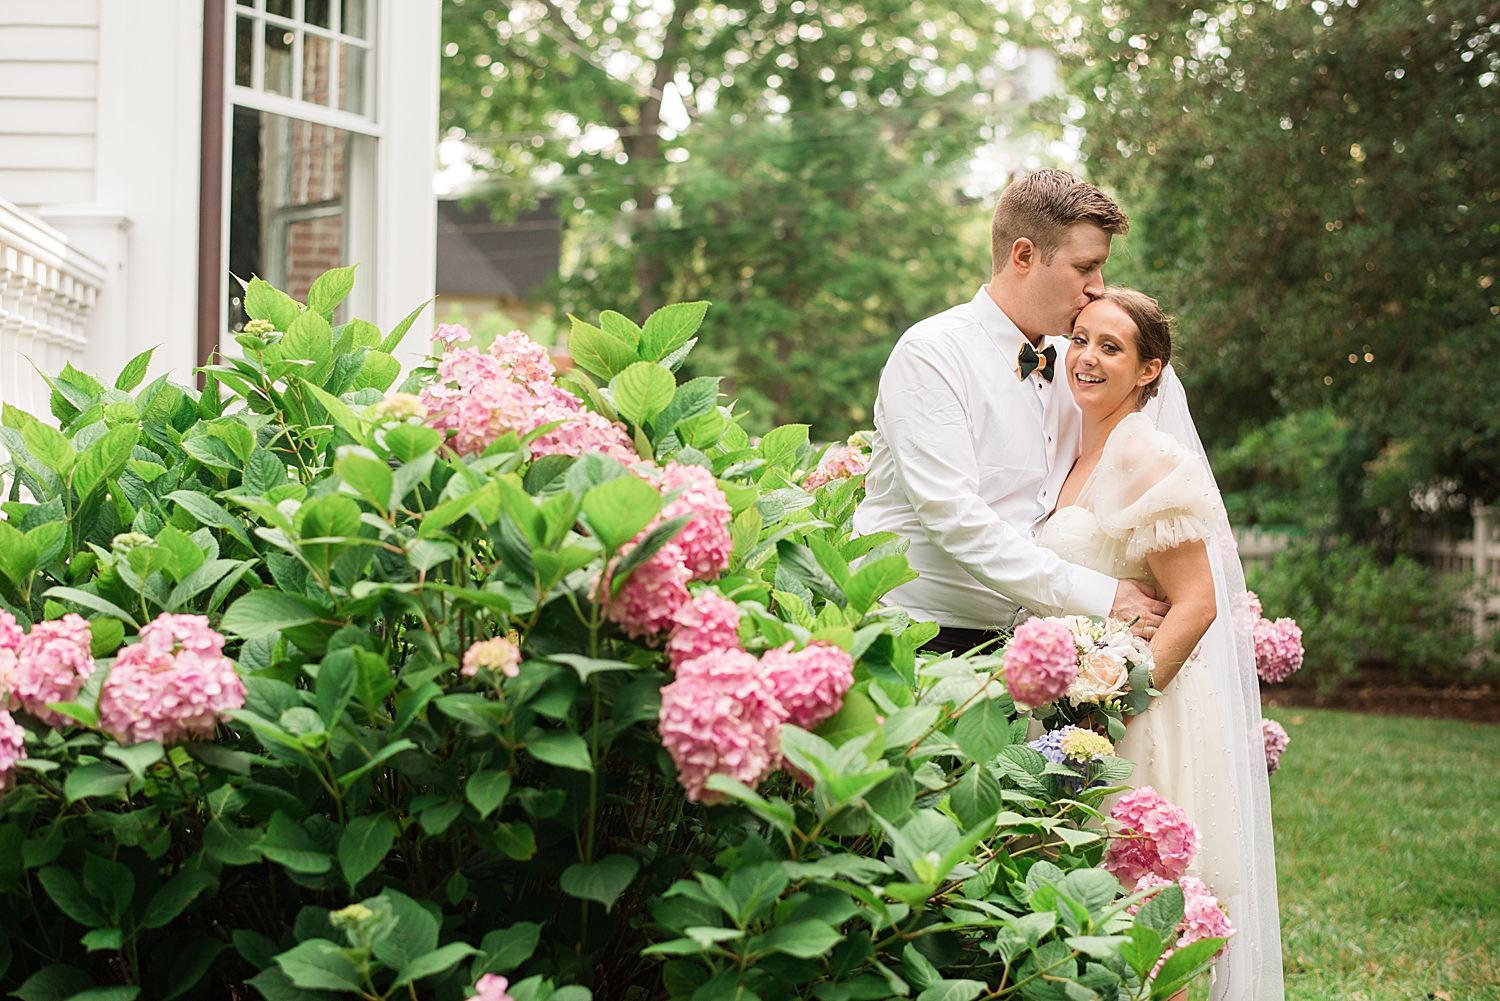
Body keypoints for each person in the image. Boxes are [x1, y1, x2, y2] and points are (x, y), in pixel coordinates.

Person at [1038, 287, 1284, 1001]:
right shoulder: (1073, 447)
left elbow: (1198, 601)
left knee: (1143, 912)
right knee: (1086, 911)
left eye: (1110, 347)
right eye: (1079, 338)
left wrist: (1115, 703)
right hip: (1072, 708)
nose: (1085, 357)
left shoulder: (1144, 453)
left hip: (1134, 713)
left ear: (1149, 370)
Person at [854, 169, 1168, 653]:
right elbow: (953, 517)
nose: (1098, 288)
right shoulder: (932, 354)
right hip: (919, 637)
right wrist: (1101, 597)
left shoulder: (1079, 367)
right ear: (1023, 255)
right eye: (1085, 268)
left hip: (1036, 644)